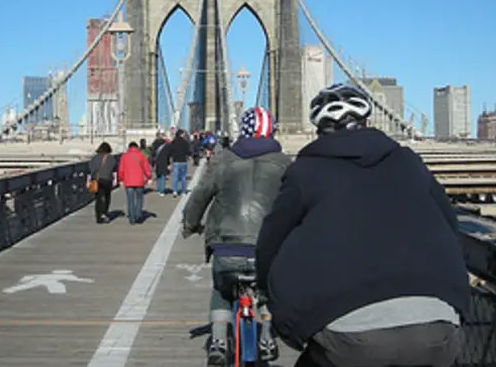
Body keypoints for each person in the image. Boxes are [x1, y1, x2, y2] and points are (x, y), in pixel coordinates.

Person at [255, 83, 471, 367]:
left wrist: (265, 289)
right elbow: (451, 225)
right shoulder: (409, 162)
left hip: (350, 338)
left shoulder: (304, 172)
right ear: (368, 123)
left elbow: (272, 240)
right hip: (438, 330)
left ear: (319, 131)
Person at [182, 107, 290, 366]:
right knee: (269, 290)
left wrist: (191, 225)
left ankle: (219, 340)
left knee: (221, 290)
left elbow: (200, 196)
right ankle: (267, 334)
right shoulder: (285, 164)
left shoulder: (222, 159)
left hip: (226, 247)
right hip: (266, 247)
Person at [116, 141, 152, 225]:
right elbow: (146, 168)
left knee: (130, 200)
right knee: (139, 199)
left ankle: (132, 218)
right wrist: (149, 177)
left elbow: (121, 170)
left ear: (129, 148)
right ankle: (138, 215)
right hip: (139, 181)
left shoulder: (124, 156)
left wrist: (121, 179)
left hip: (128, 182)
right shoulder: (141, 155)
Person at [88, 142, 117, 223]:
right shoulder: (111, 158)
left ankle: (98, 217)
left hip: (97, 180)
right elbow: (114, 169)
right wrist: (115, 180)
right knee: (107, 197)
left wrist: (89, 181)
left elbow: (90, 170)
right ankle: (104, 212)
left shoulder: (94, 158)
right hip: (107, 180)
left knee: (98, 198)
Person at [168, 129, 192, 197]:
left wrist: (171, 158)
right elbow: (188, 152)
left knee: (175, 177)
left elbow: (170, 151)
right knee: (183, 177)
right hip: (183, 161)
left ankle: (175, 191)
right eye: (183, 134)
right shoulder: (185, 142)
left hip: (176, 161)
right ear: (181, 134)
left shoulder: (173, 142)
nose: (184, 135)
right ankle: (183, 191)